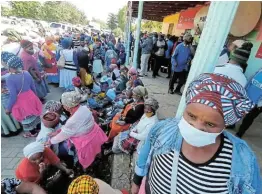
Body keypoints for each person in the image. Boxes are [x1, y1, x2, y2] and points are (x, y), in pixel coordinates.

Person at [131, 73, 260, 194]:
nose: (197, 127)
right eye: (191, 116)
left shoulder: (242, 160)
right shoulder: (163, 130)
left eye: (210, 124)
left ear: (225, 125)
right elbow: (145, 152)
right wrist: (137, 181)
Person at [48, 91, 108, 169]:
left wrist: (50, 141)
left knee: (89, 158)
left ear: (68, 107)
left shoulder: (72, 120)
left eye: (63, 104)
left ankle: (90, 168)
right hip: (95, 133)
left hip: (86, 141)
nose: (63, 106)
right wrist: (58, 131)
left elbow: (62, 136)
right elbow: (71, 127)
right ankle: (100, 158)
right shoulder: (84, 108)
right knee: (97, 149)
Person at [2, 52, 42, 138]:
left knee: (26, 117)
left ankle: (33, 133)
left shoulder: (9, 78)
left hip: (21, 100)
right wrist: (36, 98)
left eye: (9, 67)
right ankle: (39, 128)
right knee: (34, 114)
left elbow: (13, 95)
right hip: (31, 96)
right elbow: (33, 87)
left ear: (12, 68)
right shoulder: (26, 73)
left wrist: (8, 108)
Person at [236, 68, 262, 138]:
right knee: (239, 111)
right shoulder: (259, 71)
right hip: (248, 96)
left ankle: (240, 133)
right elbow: (250, 81)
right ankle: (232, 124)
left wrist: (260, 104)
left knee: (249, 118)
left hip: (258, 103)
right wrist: (244, 92)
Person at [1, 55, 22, 137]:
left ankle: (12, 130)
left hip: (5, 94)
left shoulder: (8, 72)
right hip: (10, 93)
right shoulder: (15, 70)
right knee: (13, 111)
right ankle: (18, 126)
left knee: (6, 113)